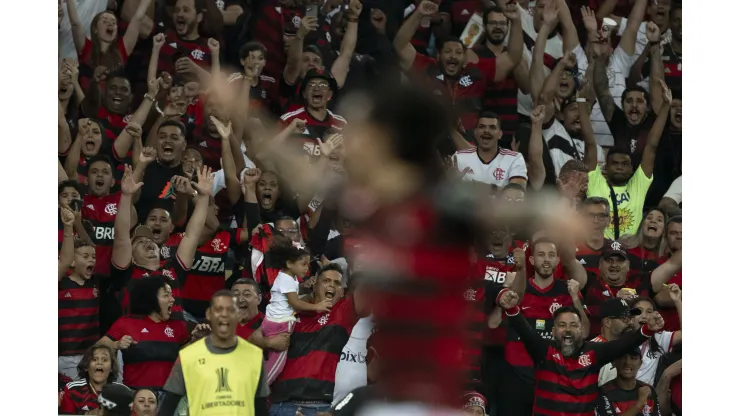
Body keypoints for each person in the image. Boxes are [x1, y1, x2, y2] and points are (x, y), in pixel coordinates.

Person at [497, 288, 665, 414]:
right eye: (562, 325)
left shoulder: (595, 353)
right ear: (554, 331)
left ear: (582, 330)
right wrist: (512, 309)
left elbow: (625, 344)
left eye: (574, 325)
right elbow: (526, 332)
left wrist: (649, 330)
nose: (568, 330)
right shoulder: (544, 351)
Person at [158, 290, 270, 416]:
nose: (224, 315)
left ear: (239, 315)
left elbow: (260, 407)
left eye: (231, 310)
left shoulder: (253, 356)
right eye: (218, 310)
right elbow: (168, 407)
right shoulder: (188, 357)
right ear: (209, 314)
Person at [97, 276, 193, 393]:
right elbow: (98, 349)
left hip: (169, 398)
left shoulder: (178, 326)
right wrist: (117, 344)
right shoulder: (126, 323)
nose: (172, 299)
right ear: (151, 299)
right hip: (135, 396)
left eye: (171, 295)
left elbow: (187, 356)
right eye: (166, 295)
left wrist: (197, 339)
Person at [263, 238, 332, 384]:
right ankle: (258, 394)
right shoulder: (287, 279)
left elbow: (290, 294)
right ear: (289, 263)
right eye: (303, 264)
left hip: (273, 322)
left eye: (308, 264)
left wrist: (302, 288)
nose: (307, 268)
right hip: (280, 325)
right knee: (276, 367)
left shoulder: (287, 276)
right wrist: (317, 307)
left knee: (268, 362)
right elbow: (295, 303)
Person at [454, 111, 528, 188]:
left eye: (492, 127)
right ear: (475, 133)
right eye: (482, 127)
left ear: (500, 134)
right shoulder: (459, 157)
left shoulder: (514, 159)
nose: (486, 131)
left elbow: (517, 192)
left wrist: (480, 187)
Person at [591, 298, 642, 386]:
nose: (630, 322)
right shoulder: (592, 350)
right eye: (624, 318)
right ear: (607, 322)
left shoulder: (629, 349)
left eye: (630, 318)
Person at [595, 349, 661, 416]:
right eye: (622, 357)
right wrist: (639, 403)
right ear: (613, 362)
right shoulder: (604, 392)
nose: (628, 362)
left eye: (633, 358)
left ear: (640, 363)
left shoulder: (649, 390)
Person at [59, 345, 120, 414]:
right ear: (86, 367)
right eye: (94, 359)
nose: (99, 363)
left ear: (111, 368)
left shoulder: (121, 392)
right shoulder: (72, 390)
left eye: (104, 360)